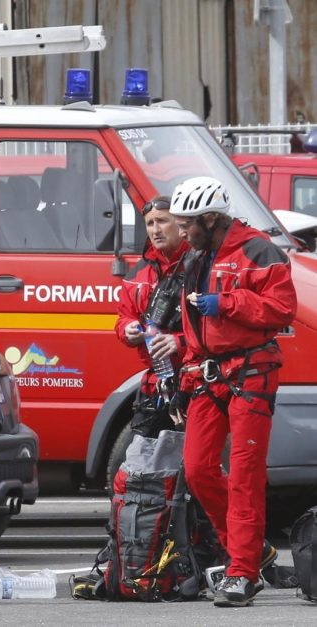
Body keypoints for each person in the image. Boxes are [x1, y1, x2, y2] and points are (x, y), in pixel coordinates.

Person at [169, 176, 297, 607]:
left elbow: (281, 309)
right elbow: (191, 323)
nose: (181, 232)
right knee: (198, 469)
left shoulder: (259, 250)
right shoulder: (195, 258)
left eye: (187, 224)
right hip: (208, 375)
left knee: (244, 477)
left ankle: (242, 570)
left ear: (210, 218)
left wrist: (227, 303)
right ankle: (252, 551)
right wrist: (187, 367)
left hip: (251, 374)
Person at [115, 196, 189, 439]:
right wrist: (128, 330)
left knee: (196, 464)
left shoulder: (200, 265)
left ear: (180, 223)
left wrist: (177, 342)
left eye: (162, 221)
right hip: (156, 381)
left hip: (195, 380)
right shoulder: (139, 271)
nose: (155, 230)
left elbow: (218, 327)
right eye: (149, 223)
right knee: (141, 460)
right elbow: (124, 317)